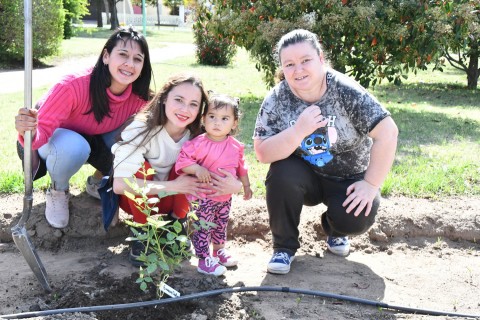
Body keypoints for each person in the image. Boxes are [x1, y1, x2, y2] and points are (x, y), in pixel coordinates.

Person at [253, 29, 398, 275]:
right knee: (280, 173)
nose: (298, 70)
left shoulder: (345, 91)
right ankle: (283, 248)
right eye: (289, 64)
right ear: (282, 68)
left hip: (348, 179)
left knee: (357, 217)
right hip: (304, 176)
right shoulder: (277, 98)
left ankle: (335, 231)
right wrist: (298, 131)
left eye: (305, 60)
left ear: (320, 58)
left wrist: (371, 185)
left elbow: (388, 132)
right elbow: (263, 152)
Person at [15, 26, 153, 229]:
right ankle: (58, 189)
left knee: (136, 133)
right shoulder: (73, 86)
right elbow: (41, 132)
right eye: (122, 54)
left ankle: (99, 181)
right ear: (106, 56)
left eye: (137, 59)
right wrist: (27, 128)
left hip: (92, 139)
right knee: (75, 146)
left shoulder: (138, 98)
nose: (129, 64)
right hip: (50, 140)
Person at [111, 74, 243, 266]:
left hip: (176, 201)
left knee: (197, 167)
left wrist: (236, 185)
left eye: (193, 104)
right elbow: (120, 185)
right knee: (141, 167)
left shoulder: (200, 135)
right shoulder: (141, 128)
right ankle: (142, 231)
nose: (184, 110)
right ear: (164, 98)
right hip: (138, 200)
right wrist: (174, 186)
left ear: (201, 110)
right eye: (179, 100)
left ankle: (176, 225)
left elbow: (227, 165)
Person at [175, 93, 253, 276]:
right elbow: (183, 161)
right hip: (202, 196)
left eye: (224, 118)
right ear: (203, 119)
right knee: (203, 226)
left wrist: (247, 186)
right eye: (212, 117)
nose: (217, 123)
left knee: (220, 224)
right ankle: (203, 259)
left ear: (234, 123)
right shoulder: (197, 144)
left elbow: (242, 168)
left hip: (224, 198)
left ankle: (219, 251)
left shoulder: (236, 146)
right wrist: (196, 169)